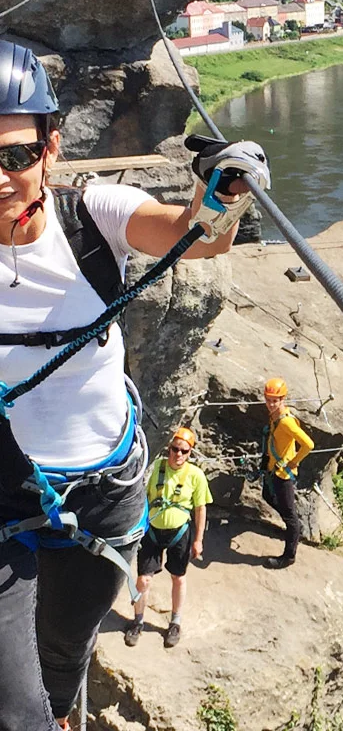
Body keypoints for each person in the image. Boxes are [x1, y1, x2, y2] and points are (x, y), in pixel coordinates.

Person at [0, 40, 269, 731]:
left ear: (51, 149)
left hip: (104, 492)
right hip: (5, 490)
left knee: (63, 652)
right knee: (13, 707)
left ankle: (63, 709)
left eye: (14, 157)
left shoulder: (92, 216)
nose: (0, 178)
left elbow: (196, 237)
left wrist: (227, 189)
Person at [124, 427, 211, 649]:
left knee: (178, 577)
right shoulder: (158, 468)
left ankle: (175, 622)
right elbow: (145, 497)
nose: (179, 455)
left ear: (190, 453)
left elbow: (200, 509)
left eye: (184, 451)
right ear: (169, 448)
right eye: (175, 449)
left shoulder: (196, 476)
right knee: (143, 578)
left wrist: (198, 540)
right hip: (153, 529)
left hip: (179, 532)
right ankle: (138, 621)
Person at [260, 377, 314, 569]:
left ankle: (288, 556)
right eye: (268, 399)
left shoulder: (286, 422)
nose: (271, 404)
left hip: (283, 474)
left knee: (291, 517)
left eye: (275, 400)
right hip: (273, 468)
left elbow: (308, 444)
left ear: (283, 399)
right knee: (266, 494)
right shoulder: (275, 416)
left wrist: (293, 462)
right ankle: (291, 525)